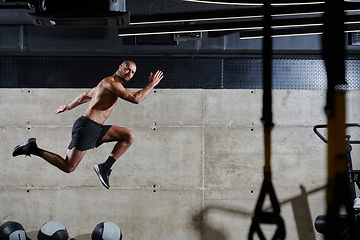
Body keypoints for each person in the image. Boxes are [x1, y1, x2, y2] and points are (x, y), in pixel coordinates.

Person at [12, 60, 164, 189]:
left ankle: (105, 167)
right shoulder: (111, 83)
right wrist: (151, 85)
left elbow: (85, 96)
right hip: (87, 127)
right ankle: (32, 148)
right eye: (127, 69)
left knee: (129, 136)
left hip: (96, 128)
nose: (129, 73)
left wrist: (68, 106)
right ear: (120, 67)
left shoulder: (109, 85)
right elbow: (136, 99)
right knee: (68, 167)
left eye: (132, 72)